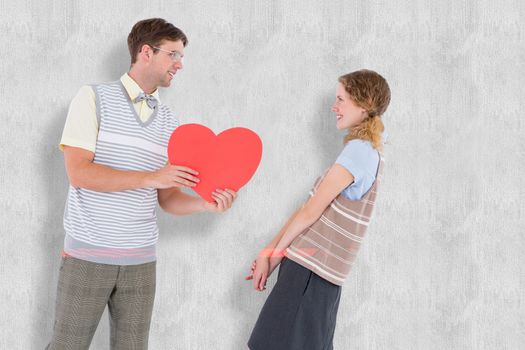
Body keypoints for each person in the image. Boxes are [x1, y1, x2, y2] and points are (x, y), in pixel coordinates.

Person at [46, 18, 237, 350]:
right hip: (88, 256)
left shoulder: (169, 122)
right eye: (173, 55)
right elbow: (79, 173)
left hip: (141, 263)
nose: (179, 64)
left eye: (181, 57)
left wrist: (204, 204)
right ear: (146, 52)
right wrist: (150, 177)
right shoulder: (93, 97)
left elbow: (167, 197)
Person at [246, 69, 391, 350]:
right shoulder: (367, 151)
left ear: (363, 105)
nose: (333, 107)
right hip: (313, 274)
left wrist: (272, 254)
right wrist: (271, 253)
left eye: (341, 100)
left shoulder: (358, 152)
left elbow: (309, 214)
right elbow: (308, 209)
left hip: (309, 274)